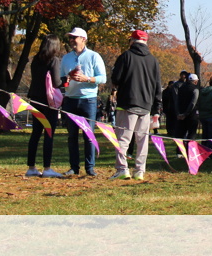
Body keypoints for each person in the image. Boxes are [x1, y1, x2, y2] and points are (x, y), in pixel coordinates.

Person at [110, 29, 162, 181]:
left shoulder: (126, 56)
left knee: (123, 139)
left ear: (132, 41)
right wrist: (156, 107)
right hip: (146, 105)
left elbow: (116, 78)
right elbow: (157, 86)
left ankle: (122, 169)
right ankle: (140, 170)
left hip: (127, 103)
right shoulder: (153, 60)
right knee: (142, 140)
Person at [60, 27, 106, 177]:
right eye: (70, 37)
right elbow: (61, 79)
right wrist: (66, 79)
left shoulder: (94, 56)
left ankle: (90, 168)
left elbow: (102, 78)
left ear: (83, 39)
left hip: (88, 100)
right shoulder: (66, 58)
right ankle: (74, 167)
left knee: (88, 135)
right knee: (72, 136)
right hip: (70, 100)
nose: (71, 40)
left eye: (74, 37)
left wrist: (87, 79)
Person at [24, 34, 65, 178]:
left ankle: (31, 167)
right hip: (48, 102)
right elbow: (56, 82)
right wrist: (67, 79)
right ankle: (47, 168)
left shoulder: (35, 59)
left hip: (35, 99)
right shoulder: (54, 60)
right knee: (48, 133)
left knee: (35, 134)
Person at [197, 75, 212, 142]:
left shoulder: (201, 91)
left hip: (203, 116)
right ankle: (210, 148)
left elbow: (198, 103)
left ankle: (204, 148)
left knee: (204, 136)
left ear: (209, 82)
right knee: (211, 137)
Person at [176, 73, 200, 140]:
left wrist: (178, 113)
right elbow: (193, 103)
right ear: (195, 81)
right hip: (191, 115)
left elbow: (177, 101)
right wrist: (186, 114)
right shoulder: (195, 89)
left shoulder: (181, 88)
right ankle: (190, 146)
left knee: (180, 135)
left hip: (180, 114)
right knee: (191, 134)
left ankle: (180, 147)